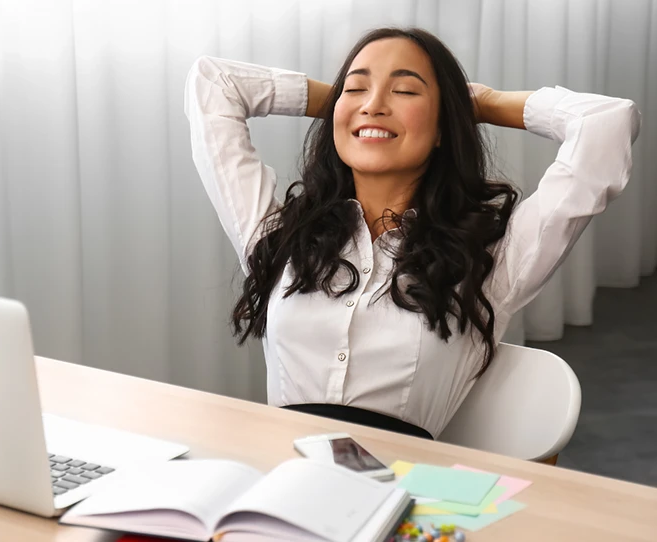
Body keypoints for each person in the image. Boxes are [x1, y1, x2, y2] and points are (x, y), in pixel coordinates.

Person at [183, 27, 641, 440]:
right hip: (281, 487)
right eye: (357, 87)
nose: (374, 102)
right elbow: (214, 83)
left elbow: (607, 122)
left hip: (402, 499)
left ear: (444, 126)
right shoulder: (280, 236)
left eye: (405, 90)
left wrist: (476, 104)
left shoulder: (492, 259)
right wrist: (349, 108)